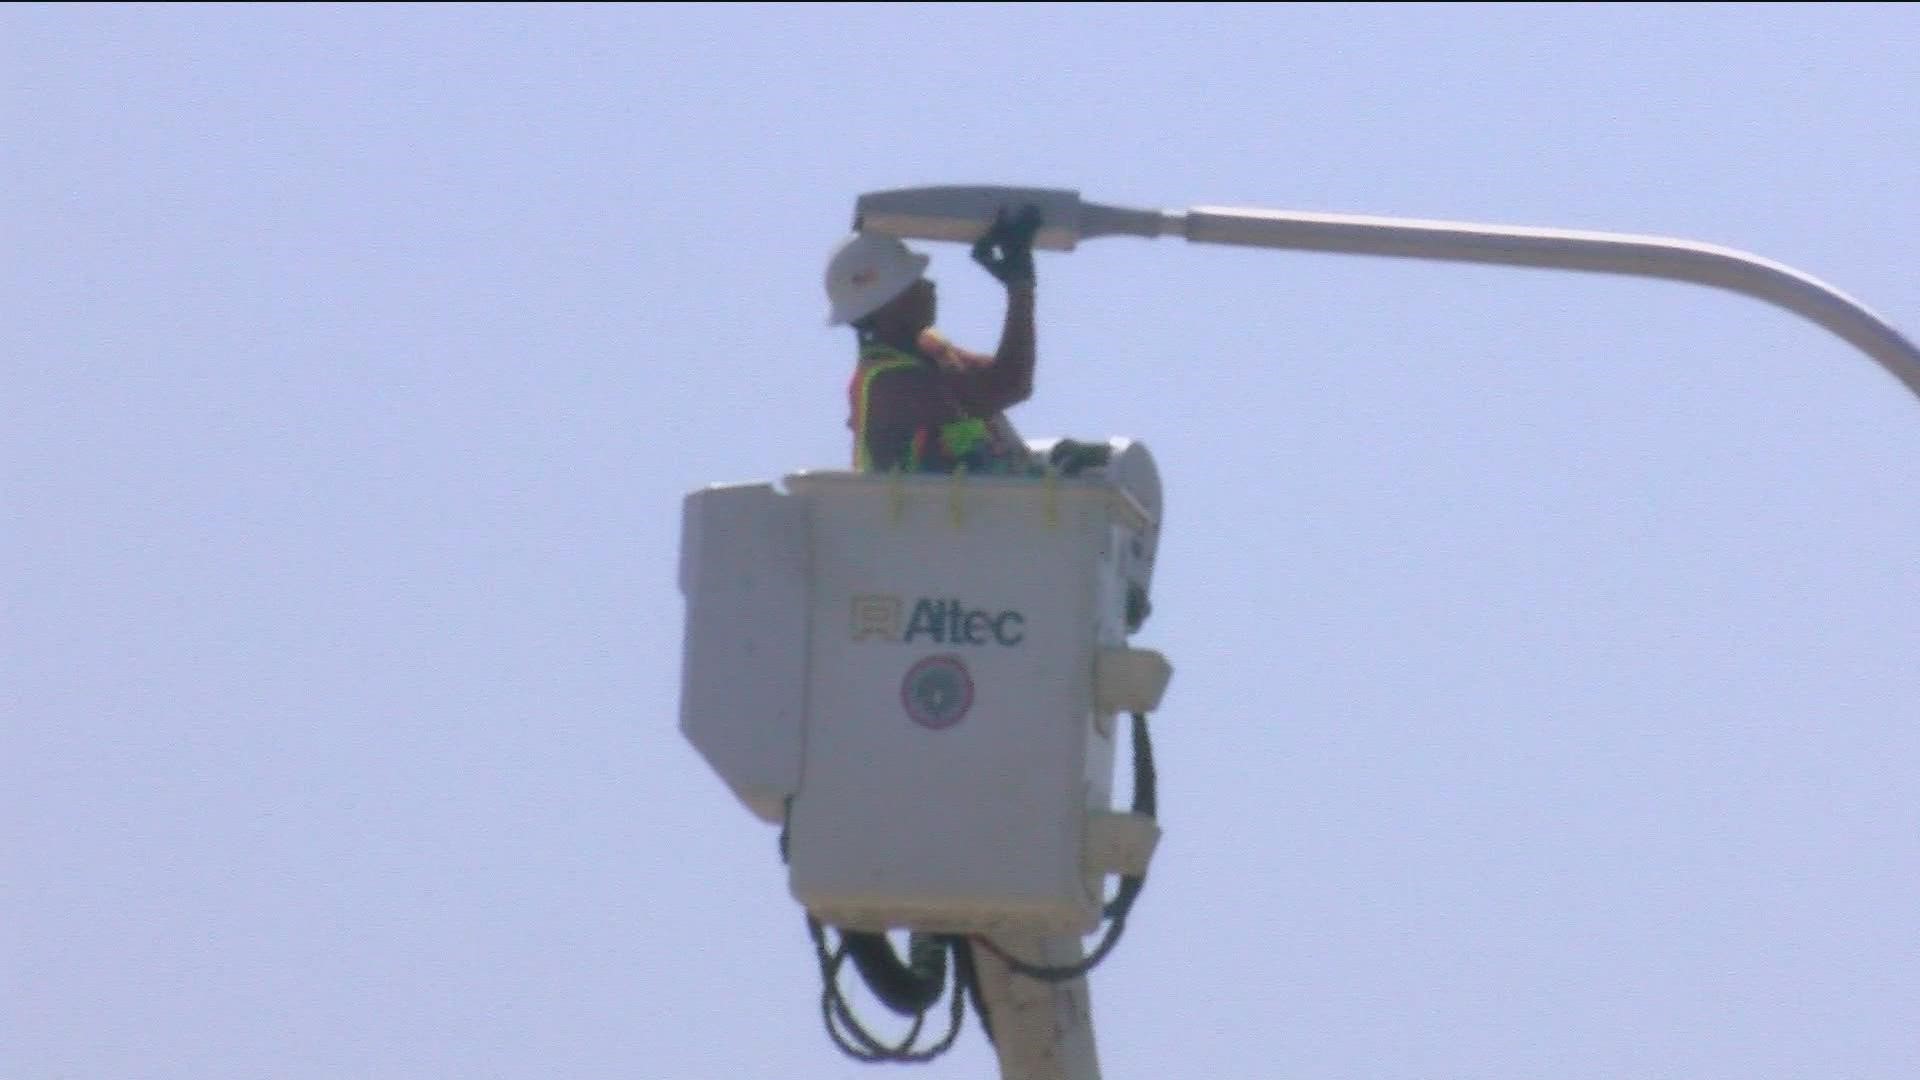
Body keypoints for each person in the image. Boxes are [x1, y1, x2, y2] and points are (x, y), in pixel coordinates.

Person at [825, 206, 1044, 476]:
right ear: (884, 306)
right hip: (921, 515)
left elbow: (1009, 380)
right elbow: (1008, 385)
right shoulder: (890, 385)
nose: (930, 287)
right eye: (913, 282)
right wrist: (1019, 286)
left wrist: (1019, 282)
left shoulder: (926, 349)